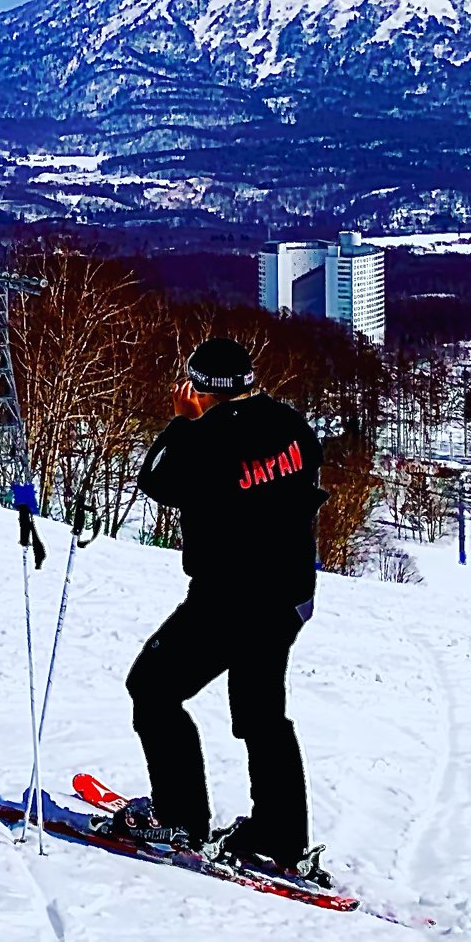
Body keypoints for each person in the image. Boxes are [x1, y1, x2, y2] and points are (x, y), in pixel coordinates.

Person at [103, 337, 324, 875]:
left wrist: (183, 423)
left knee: (152, 689)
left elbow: (154, 477)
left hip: (229, 599)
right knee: (262, 717)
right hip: (288, 596)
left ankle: (180, 818)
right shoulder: (293, 426)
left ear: (201, 389)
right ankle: (279, 836)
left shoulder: (208, 440)